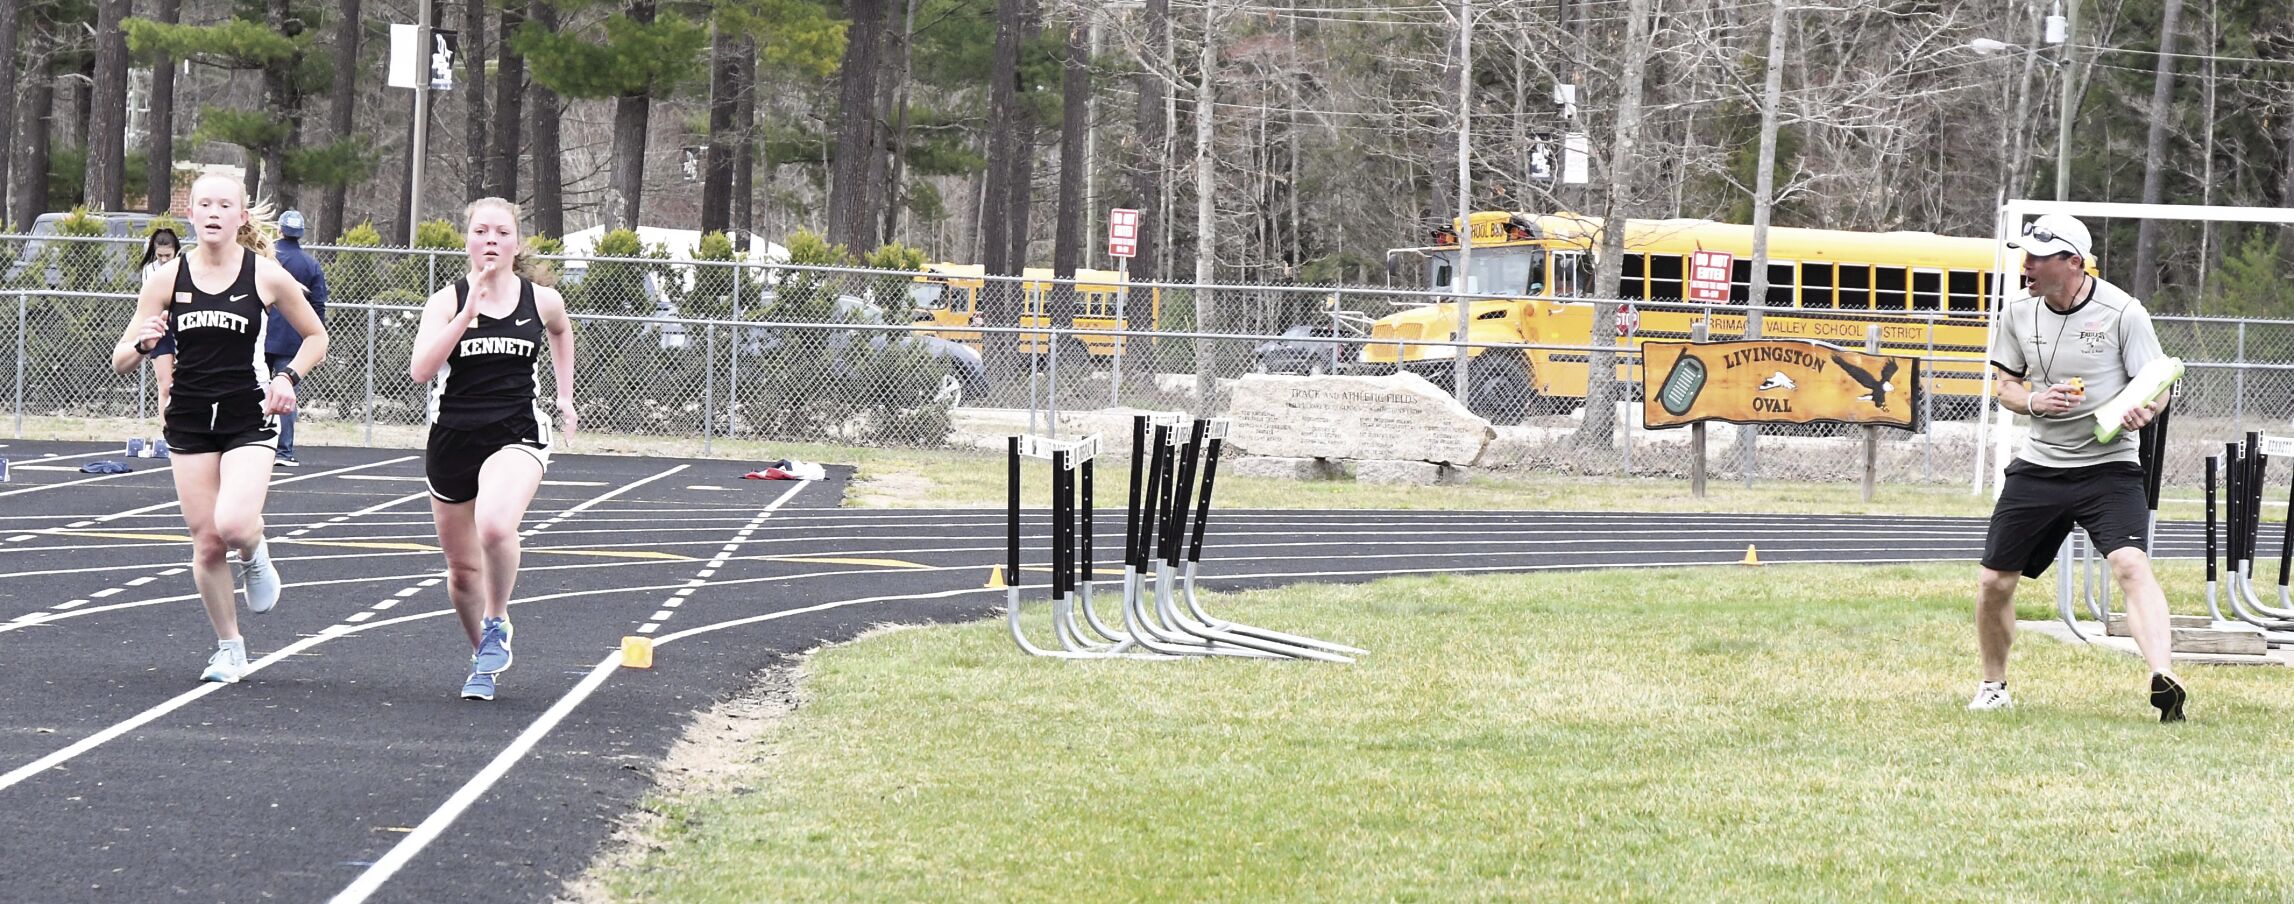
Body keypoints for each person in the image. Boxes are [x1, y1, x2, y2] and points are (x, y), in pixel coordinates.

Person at [109, 174, 329, 684]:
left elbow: (316, 336)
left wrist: (287, 376)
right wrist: (144, 344)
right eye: (203, 203)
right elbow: (120, 359)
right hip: (188, 418)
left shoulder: (266, 275)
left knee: (232, 524)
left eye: (223, 204)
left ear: (241, 216)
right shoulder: (166, 278)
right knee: (206, 543)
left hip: (248, 413)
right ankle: (230, 647)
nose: (212, 211)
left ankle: (254, 549)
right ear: (191, 214)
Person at [1974, 213, 2185, 722]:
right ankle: (1993, 686)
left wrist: (2145, 410)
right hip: (2040, 464)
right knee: (1994, 584)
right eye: (2025, 256)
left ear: (2073, 262)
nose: (2026, 265)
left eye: (2038, 258)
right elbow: (2005, 386)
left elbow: (2158, 381)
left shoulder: (2124, 313)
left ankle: (2166, 680)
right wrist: (2034, 403)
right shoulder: (2018, 314)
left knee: (2131, 565)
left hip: (2108, 465)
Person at [409, 197, 577, 701]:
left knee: (497, 525)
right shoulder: (444, 301)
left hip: (516, 430)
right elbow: (419, 372)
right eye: (481, 231)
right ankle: (483, 654)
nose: (491, 241)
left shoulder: (541, 300)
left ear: (516, 242)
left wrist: (565, 397)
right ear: (468, 240)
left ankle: (498, 619)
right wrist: (466, 314)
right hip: (453, 438)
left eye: (501, 233)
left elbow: (561, 331)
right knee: (462, 573)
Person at [268, 210, 329, 466]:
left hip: (261, 336)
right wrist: (319, 342)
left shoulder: (265, 258)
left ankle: (248, 446)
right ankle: (284, 451)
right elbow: (318, 304)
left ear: (279, 230)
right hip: (294, 340)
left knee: (252, 391)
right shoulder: (310, 264)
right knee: (287, 395)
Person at [136, 228, 181, 419]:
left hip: (183, 327)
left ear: (176, 252)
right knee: (165, 385)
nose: (163, 259)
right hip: (161, 329)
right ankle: (166, 432)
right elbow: (152, 303)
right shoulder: (150, 271)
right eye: (159, 255)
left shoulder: (184, 267)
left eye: (167, 255)